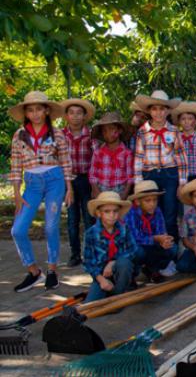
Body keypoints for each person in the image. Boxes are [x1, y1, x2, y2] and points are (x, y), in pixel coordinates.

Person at [9, 91, 74, 292]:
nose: (35, 114)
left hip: (55, 180)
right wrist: (17, 193)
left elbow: (65, 161)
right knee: (17, 230)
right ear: (26, 113)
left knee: (50, 227)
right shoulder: (19, 135)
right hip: (32, 184)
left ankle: (52, 270)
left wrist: (69, 187)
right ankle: (34, 272)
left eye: (39, 109)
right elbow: (15, 165)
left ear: (46, 110)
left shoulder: (57, 134)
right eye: (31, 110)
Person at [133, 90, 188, 241]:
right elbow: (138, 158)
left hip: (170, 175)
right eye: (155, 109)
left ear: (168, 110)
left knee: (170, 213)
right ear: (149, 111)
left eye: (162, 109)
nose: (158, 113)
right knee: (151, 212)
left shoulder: (174, 131)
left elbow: (181, 158)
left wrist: (182, 182)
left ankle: (172, 250)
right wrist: (138, 184)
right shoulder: (142, 132)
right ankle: (155, 249)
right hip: (149, 176)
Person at [60, 98, 98, 267]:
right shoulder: (60, 135)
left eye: (79, 113)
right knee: (72, 219)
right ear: (66, 116)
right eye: (71, 113)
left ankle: (90, 252)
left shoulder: (91, 135)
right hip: (68, 181)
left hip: (86, 180)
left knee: (89, 218)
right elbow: (56, 157)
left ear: (84, 116)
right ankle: (75, 254)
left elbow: (96, 159)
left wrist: (94, 183)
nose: (75, 116)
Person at [82, 192, 136, 302]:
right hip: (102, 274)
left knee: (124, 263)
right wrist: (101, 279)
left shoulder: (124, 229)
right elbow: (88, 262)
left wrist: (113, 263)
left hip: (120, 270)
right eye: (107, 211)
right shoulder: (91, 233)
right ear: (98, 213)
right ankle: (112, 291)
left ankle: (118, 294)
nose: (112, 215)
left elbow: (133, 250)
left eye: (115, 211)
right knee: (91, 303)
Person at [125, 180, 177, 282]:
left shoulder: (157, 211)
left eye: (155, 200)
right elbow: (134, 238)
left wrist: (165, 240)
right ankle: (134, 272)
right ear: (137, 201)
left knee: (172, 248)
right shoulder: (130, 213)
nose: (152, 204)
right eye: (147, 201)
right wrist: (156, 238)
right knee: (138, 252)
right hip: (137, 246)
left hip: (152, 245)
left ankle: (153, 269)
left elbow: (161, 231)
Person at [89, 112, 134, 200]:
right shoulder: (98, 153)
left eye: (111, 129)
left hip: (120, 190)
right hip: (101, 189)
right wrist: (96, 191)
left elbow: (130, 177)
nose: (108, 133)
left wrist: (125, 194)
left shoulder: (127, 153)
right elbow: (92, 175)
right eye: (104, 130)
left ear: (120, 130)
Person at [172, 102, 196, 181]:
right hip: (179, 176)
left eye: (190, 119)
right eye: (183, 119)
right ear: (179, 121)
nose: (186, 121)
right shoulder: (176, 139)